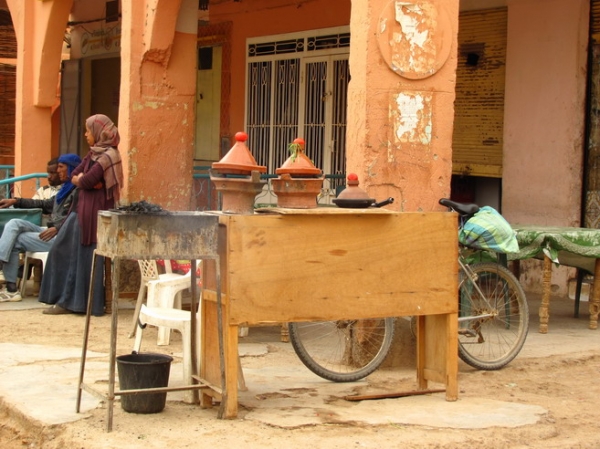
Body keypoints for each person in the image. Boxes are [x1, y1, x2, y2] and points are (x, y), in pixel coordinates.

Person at [40, 114, 123, 316]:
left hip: (94, 213)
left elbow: (85, 181)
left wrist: (84, 180)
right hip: (81, 209)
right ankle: (62, 299)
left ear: (98, 132)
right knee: (60, 251)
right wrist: (83, 179)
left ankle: (75, 303)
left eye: (88, 130)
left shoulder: (108, 156)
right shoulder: (93, 154)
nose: (86, 135)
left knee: (83, 256)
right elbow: (75, 174)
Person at [0, 154, 81, 302]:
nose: (58, 172)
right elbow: (44, 204)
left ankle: (11, 288)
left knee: (16, 240)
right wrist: (15, 201)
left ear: (71, 169)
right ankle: (2, 264)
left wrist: (57, 227)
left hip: (62, 236)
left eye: (61, 168)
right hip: (50, 231)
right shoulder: (64, 191)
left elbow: (78, 216)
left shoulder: (79, 191)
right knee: (13, 223)